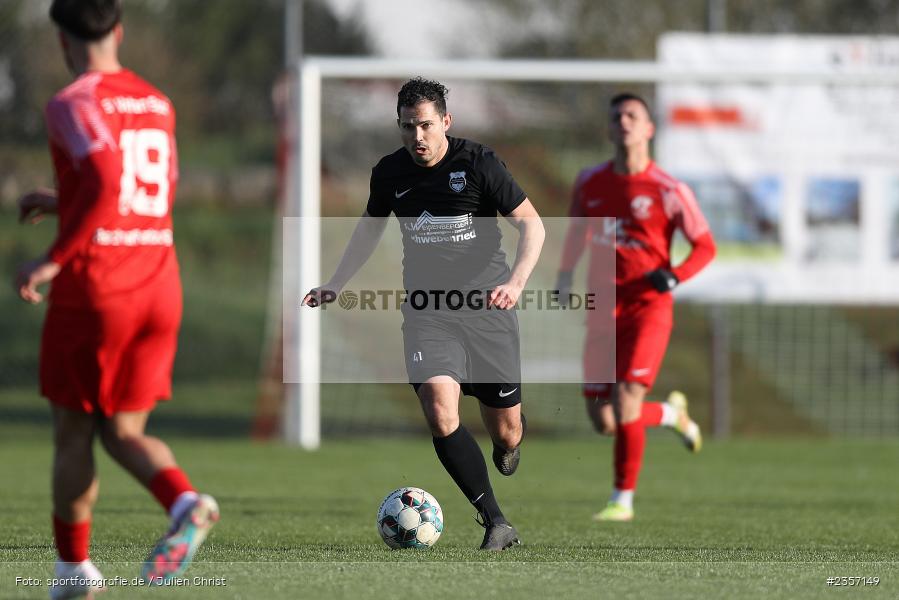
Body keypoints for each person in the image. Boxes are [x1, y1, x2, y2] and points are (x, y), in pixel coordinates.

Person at [14, 1, 218, 596]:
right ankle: (184, 503)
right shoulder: (157, 102)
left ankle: (74, 569)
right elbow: (150, 188)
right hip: (158, 283)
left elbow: (106, 179)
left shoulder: (72, 102)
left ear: (62, 40)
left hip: (99, 290)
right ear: (119, 31)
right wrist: (61, 200)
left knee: (73, 433)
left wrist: (52, 258)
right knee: (123, 430)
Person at [304, 77, 545, 550]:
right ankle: (495, 520)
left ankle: (508, 444)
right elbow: (369, 230)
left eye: (426, 126)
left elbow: (532, 226)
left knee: (507, 428)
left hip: (487, 310)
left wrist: (515, 282)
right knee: (439, 408)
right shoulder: (390, 173)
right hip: (427, 312)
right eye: (408, 127)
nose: (417, 137)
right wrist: (336, 283)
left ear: (446, 122)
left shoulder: (478, 163)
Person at [556, 92, 715, 522]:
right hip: (602, 309)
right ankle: (670, 414)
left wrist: (675, 274)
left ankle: (621, 500)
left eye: (633, 115)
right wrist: (565, 276)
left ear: (649, 129)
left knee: (626, 401)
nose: (623, 121)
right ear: (609, 129)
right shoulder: (589, 181)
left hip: (649, 308)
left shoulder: (668, 189)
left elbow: (705, 246)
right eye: (617, 116)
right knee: (605, 421)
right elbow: (575, 234)